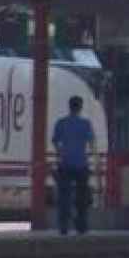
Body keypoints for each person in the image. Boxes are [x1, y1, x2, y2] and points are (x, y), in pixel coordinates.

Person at [51, 95, 95, 235]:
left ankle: (63, 226)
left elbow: (55, 141)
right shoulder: (86, 124)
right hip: (81, 164)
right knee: (82, 198)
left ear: (69, 106)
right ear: (80, 107)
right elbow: (91, 144)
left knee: (64, 197)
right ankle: (81, 226)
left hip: (65, 164)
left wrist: (60, 154)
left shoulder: (61, 123)